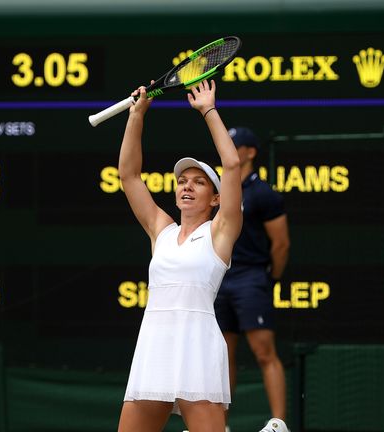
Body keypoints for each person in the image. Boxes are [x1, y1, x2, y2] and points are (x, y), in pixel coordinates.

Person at [116, 79, 242, 432]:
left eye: (198, 182)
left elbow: (231, 166)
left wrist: (209, 111)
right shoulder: (161, 229)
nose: (187, 186)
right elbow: (128, 176)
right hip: (154, 345)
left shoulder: (221, 231)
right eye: (182, 180)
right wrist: (137, 115)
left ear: (215, 198)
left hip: (198, 347)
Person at [214, 127, 291, 432]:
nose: (228, 150)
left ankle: (278, 423)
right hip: (220, 278)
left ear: (249, 152)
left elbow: (281, 244)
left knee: (264, 352)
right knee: (221, 357)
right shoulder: (220, 191)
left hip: (251, 277)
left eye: (235, 146)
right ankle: (219, 425)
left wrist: (270, 277)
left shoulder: (264, 194)